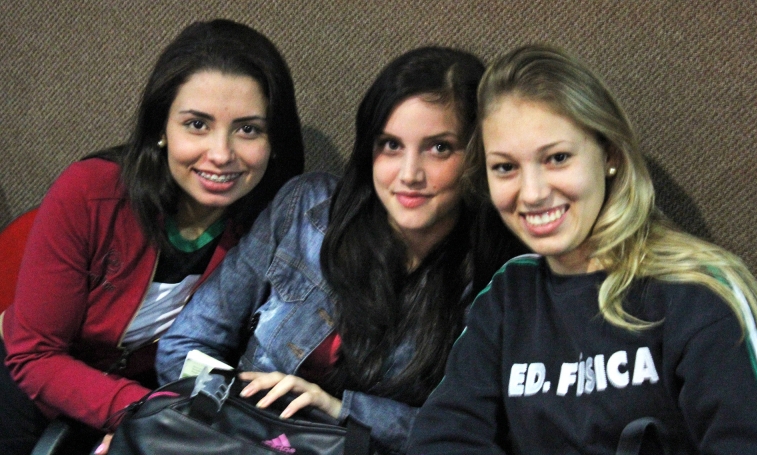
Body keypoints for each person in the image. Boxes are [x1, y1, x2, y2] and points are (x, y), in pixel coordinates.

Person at [407, 44, 757, 454]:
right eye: (505, 167)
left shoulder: (698, 292)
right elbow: (442, 438)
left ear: (609, 154)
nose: (533, 193)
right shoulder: (508, 296)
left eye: (557, 158)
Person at [157, 46, 521, 455]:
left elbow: (478, 436)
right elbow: (185, 345)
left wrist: (337, 410)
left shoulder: (499, 281)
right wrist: (247, 412)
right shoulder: (306, 210)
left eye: (439, 148)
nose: (409, 174)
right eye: (391, 145)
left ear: (478, 154)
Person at [0, 19, 303, 454]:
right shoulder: (92, 192)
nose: (221, 154)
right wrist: (146, 412)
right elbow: (35, 354)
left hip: (145, 402)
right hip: (30, 390)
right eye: (197, 124)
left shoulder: (271, 227)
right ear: (162, 128)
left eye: (248, 129)